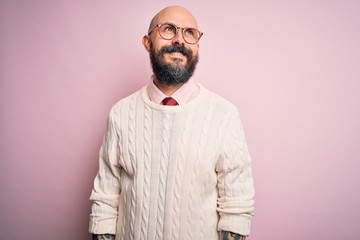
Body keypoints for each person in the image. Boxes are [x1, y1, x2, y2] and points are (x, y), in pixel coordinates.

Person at [89, 5, 255, 240]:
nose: (180, 40)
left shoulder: (224, 114)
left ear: (197, 45)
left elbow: (236, 206)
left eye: (189, 33)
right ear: (147, 42)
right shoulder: (120, 113)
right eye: (168, 29)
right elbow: (105, 200)